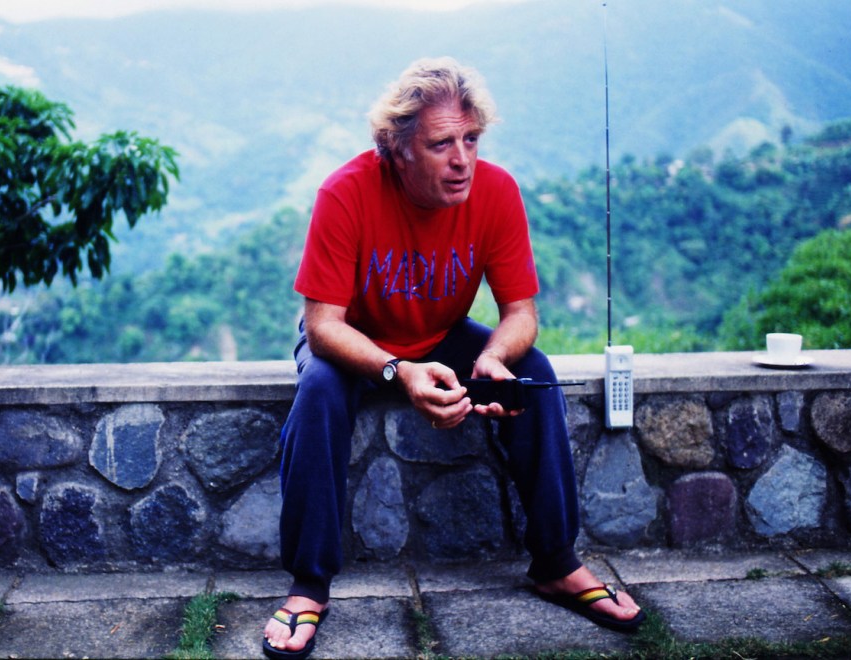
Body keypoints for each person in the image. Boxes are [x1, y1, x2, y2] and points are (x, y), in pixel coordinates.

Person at [262, 56, 643, 660]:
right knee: (318, 393)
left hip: (441, 333)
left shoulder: (495, 191)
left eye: (471, 139)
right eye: (442, 144)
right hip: (355, 337)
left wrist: (494, 356)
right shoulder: (346, 192)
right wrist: (398, 371)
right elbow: (322, 324)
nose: (462, 159)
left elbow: (521, 314)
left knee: (534, 372)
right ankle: (309, 584)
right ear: (398, 149)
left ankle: (556, 561)